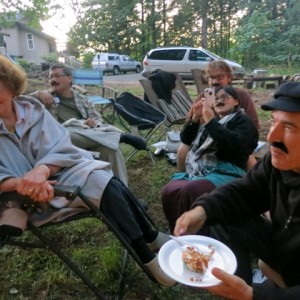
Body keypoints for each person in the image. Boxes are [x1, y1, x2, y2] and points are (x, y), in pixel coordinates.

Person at [0, 55, 175, 287]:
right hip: (23, 197)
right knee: (100, 176)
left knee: (103, 176)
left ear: (12, 88)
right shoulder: (43, 101)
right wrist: (23, 183)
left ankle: (149, 243)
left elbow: (61, 146)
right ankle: (149, 256)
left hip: (56, 173)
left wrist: (42, 170)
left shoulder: (32, 110)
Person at [174, 81, 300, 299]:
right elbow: (246, 191)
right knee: (223, 213)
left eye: (289, 128)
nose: (271, 137)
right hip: (286, 251)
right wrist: (203, 210)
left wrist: (254, 296)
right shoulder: (277, 163)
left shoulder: (240, 123)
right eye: (274, 123)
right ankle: (235, 281)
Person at [161, 85, 258, 233]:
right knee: (169, 190)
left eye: (224, 97)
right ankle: (176, 232)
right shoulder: (211, 120)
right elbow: (186, 139)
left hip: (226, 171)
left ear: (236, 102)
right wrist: (195, 119)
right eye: (216, 99)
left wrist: (211, 121)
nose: (219, 101)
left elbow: (234, 145)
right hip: (198, 171)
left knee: (191, 190)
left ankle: (201, 241)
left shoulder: (242, 121)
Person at [31, 63, 147, 185]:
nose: (53, 80)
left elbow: (97, 118)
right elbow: (18, 101)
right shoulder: (45, 98)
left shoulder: (82, 99)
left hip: (85, 138)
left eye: (57, 76)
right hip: (61, 141)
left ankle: (124, 193)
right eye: (50, 77)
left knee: (110, 149)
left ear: (69, 78)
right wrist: (38, 93)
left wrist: (93, 121)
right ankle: (120, 136)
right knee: (64, 132)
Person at [177, 60, 260, 171]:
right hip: (206, 140)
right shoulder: (203, 97)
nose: (215, 81)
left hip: (234, 138)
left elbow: (253, 125)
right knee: (183, 147)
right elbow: (189, 124)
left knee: (247, 154)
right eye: (211, 77)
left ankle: (254, 183)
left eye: (220, 77)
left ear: (229, 78)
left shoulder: (240, 95)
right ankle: (183, 176)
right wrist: (196, 118)